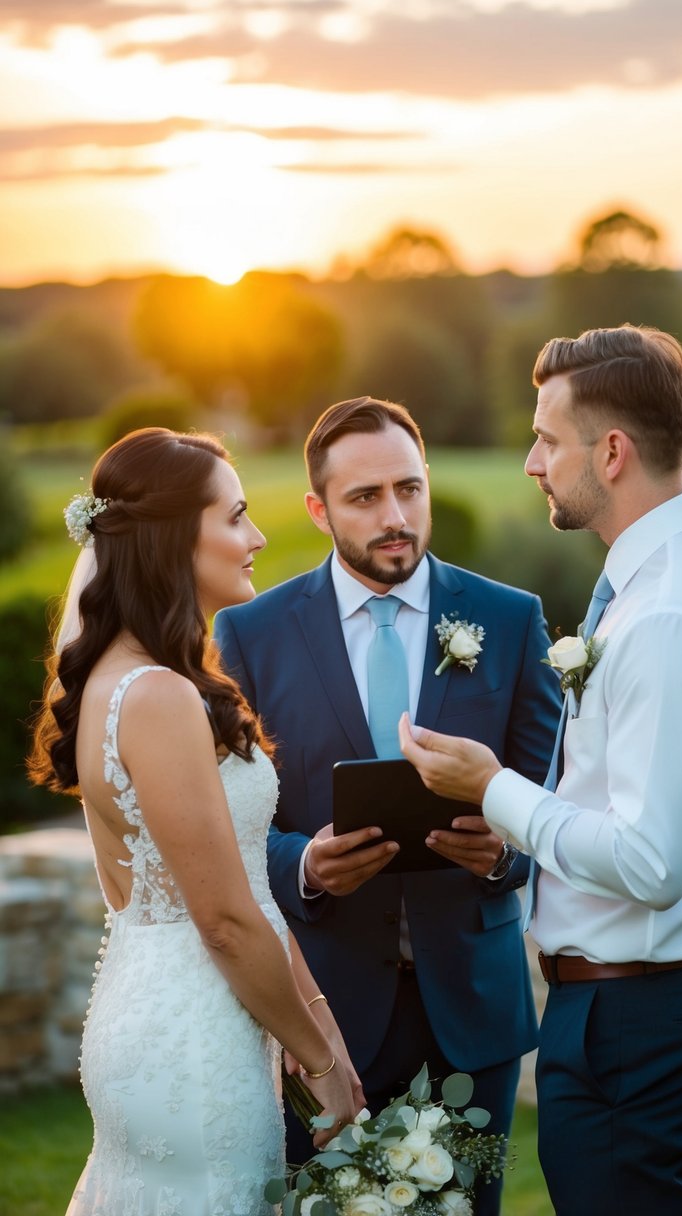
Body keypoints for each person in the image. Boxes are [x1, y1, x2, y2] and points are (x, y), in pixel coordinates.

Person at [399, 326, 682, 1216]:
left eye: (546, 438)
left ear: (610, 452)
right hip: (669, 1000)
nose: (532, 462)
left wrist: (492, 788)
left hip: (636, 1022)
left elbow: (651, 864)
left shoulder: (668, 620)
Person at [214, 396, 561, 1211]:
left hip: (472, 1011)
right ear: (318, 508)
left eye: (409, 489)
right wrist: (302, 864)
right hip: (324, 1016)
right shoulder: (250, 634)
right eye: (365, 497)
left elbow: (553, 800)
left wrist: (506, 849)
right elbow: (230, 825)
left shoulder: (510, 622)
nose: (395, 515)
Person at [28, 428, 362, 1216]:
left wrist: (320, 1027)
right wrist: (318, 1064)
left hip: (189, 1012)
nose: (257, 537)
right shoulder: (156, 695)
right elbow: (221, 918)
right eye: (236, 516)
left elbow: (248, 889)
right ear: (176, 534)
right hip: (188, 1038)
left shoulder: (153, 680)